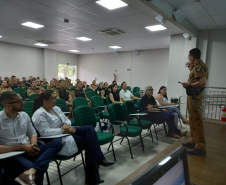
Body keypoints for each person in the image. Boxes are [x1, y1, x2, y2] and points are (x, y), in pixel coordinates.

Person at [32, 91, 114, 185]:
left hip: (68, 134)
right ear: (45, 101)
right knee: (90, 139)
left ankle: (95, 173)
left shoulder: (55, 109)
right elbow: (45, 133)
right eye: (52, 99)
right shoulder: (39, 114)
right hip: (57, 140)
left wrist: (67, 124)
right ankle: (96, 169)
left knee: (90, 134)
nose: (55, 101)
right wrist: (63, 130)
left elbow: (67, 119)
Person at [0, 91, 63, 185]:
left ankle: (32, 170)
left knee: (57, 144)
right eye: (19, 101)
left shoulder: (24, 115)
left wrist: (33, 144)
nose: (23, 103)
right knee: (38, 170)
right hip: (11, 155)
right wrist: (22, 147)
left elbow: (32, 133)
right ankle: (33, 169)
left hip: (27, 150)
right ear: (7, 105)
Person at [181, 48, 208, 156]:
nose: (189, 58)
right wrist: (190, 69)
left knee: (197, 121)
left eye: (189, 56)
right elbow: (195, 78)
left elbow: (202, 81)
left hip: (195, 97)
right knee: (192, 119)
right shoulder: (196, 66)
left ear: (192, 56)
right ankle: (194, 141)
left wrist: (189, 85)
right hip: (192, 96)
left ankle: (201, 147)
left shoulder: (199, 66)